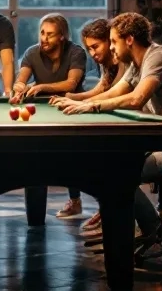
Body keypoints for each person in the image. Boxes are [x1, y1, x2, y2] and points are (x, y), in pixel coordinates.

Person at [59, 12, 162, 252]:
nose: (111, 47)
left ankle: (149, 232)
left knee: (117, 174)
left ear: (129, 39)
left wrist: (93, 106)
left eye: (113, 41)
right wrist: (80, 102)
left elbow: (136, 98)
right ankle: (140, 232)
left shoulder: (157, 58)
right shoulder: (136, 63)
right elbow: (115, 92)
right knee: (109, 166)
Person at [50, 18, 126, 229]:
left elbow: (115, 93)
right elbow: (102, 89)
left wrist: (82, 103)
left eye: (96, 46)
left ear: (109, 41)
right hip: (113, 118)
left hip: (130, 122)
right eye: (89, 48)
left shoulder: (122, 60)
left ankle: (112, 214)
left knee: (102, 162)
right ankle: (107, 210)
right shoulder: (105, 62)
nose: (92, 53)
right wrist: (72, 98)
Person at [12, 14, 87, 218]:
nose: (44, 38)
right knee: (36, 156)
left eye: (50, 34)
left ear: (62, 36)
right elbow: (21, 79)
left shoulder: (76, 52)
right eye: (42, 33)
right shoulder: (32, 52)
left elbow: (71, 83)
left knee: (70, 157)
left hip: (70, 108)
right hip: (41, 111)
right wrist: (19, 88)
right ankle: (36, 213)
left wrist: (41, 86)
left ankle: (75, 201)